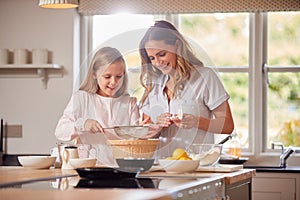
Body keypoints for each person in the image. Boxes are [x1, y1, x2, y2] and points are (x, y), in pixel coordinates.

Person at [138, 20, 234, 158]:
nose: (157, 63)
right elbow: (144, 133)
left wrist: (196, 121)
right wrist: (156, 126)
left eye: (162, 54)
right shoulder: (154, 85)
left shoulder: (205, 77)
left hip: (196, 166)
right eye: (152, 58)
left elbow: (227, 125)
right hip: (158, 167)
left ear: (177, 46)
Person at [55, 47, 140, 165]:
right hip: (89, 169)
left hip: (122, 170)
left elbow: (137, 141)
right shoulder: (82, 98)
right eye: (107, 76)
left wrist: (145, 129)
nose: (113, 82)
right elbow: (60, 131)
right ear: (94, 74)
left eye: (119, 76)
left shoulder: (130, 103)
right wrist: (83, 124)